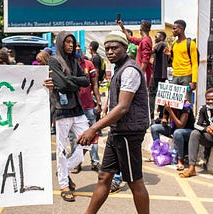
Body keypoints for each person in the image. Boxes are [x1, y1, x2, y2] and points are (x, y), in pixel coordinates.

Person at [78, 31, 150, 214]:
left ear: (125, 48)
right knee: (104, 176)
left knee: (134, 181)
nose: (110, 51)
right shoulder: (119, 68)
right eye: (107, 48)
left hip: (129, 132)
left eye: (114, 47)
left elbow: (124, 107)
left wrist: (93, 128)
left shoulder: (130, 70)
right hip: (118, 130)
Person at [48, 31, 90, 202]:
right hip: (61, 108)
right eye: (67, 42)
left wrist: (70, 79)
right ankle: (64, 184)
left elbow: (86, 81)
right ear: (60, 43)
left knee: (89, 139)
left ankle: (64, 169)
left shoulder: (74, 61)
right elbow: (62, 85)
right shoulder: (53, 61)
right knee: (61, 149)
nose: (71, 45)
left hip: (77, 109)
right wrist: (73, 82)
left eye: (72, 42)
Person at [69, 43, 102, 173]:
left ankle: (95, 162)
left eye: (79, 49)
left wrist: (98, 103)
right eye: (75, 49)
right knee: (74, 138)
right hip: (73, 107)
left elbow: (95, 84)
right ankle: (77, 163)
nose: (77, 50)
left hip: (88, 106)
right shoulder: (68, 65)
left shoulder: (89, 65)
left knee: (93, 135)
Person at [179, 88, 213, 182]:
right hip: (208, 137)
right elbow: (196, 124)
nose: (210, 102)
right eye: (208, 99)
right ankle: (192, 167)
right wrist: (207, 129)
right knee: (194, 133)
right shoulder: (203, 109)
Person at [150, 100, 195, 170]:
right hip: (173, 129)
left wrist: (170, 111)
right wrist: (164, 121)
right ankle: (158, 153)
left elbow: (181, 125)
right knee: (154, 128)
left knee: (177, 132)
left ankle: (180, 160)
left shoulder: (186, 106)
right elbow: (165, 118)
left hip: (187, 131)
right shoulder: (169, 104)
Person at [165, 19, 198, 103]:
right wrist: (169, 55)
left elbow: (194, 63)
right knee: (174, 102)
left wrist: (194, 81)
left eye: (174, 28)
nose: (172, 31)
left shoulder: (190, 44)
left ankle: (189, 116)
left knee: (186, 102)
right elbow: (175, 60)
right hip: (175, 75)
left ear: (181, 29)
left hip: (187, 76)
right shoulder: (174, 44)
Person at [118, 19, 153, 88]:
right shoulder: (144, 39)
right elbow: (131, 39)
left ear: (142, 27)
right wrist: (122, 27)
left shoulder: (145, 41)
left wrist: (141, 73)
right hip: (141, 71)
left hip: (143, 72)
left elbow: (145, 59)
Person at [149, 31, 168, 124]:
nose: (155, 38)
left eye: (156, 36)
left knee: (152, 95)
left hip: (157, 74)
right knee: (161, 95)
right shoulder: (165, 45)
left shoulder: (161, 44)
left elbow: (151, 51)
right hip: (162, 74)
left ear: (161, 38)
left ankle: (151, 116)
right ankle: (161, 116)